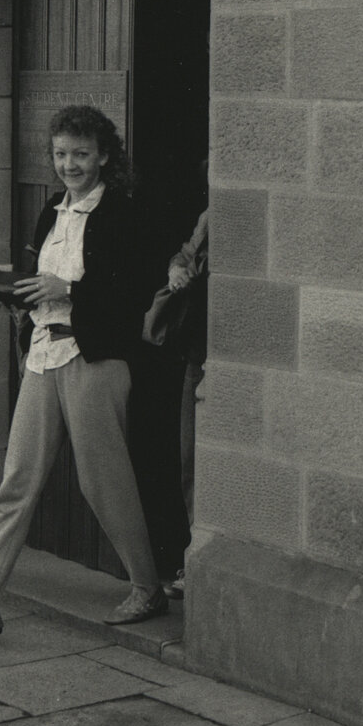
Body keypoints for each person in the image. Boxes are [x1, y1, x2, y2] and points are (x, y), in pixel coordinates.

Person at [0, 105, 166, 653]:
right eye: (61, 155)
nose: (70, 165)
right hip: (43, 353)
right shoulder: (49, 213)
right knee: (15, 485)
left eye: (81, 154)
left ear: (104, 156)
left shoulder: (125, 214)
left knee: (101, 483)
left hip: (95, 358)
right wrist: (20, 297)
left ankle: (147, 586)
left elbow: (133, 297)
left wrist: (69, 293)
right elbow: (41, 280)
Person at [160, 200, 208, 598]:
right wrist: (178, 268)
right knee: (190, 461)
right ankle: (193, 560)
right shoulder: (210, 215)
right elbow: (185, 252)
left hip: (224, 354)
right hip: (197, 353)